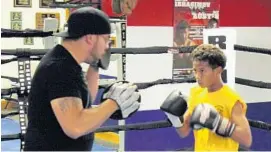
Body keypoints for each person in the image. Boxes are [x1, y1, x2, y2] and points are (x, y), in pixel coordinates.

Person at [23, 7, 140, 151]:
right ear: (90, 38)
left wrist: (95, 65)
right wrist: (114, 103)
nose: (107, 45)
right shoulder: (60, 68)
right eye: (106, 39)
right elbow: (75, 126)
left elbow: (84, 102)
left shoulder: (68, 63)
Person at [161, 44, 252, 151]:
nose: (197, 76)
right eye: (195, 70)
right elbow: (184, 132)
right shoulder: (196, 93)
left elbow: (246, 139)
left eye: (202, 71)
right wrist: (174, 118)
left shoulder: (232, 99)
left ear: (218, 70)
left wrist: (218, 124)